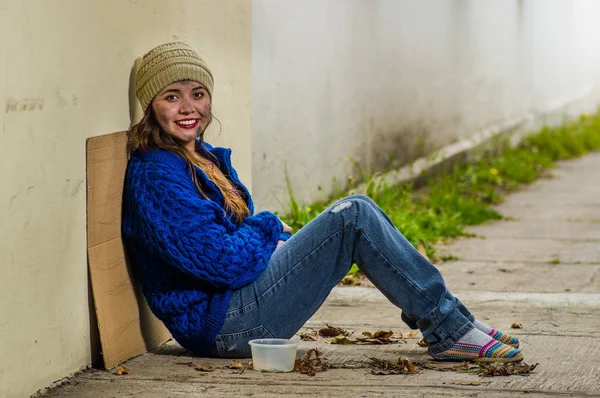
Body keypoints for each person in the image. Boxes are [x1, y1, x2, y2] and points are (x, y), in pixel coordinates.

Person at [122, 42, 523, 363]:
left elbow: (228, 245)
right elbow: (224, 262)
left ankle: (452, 320)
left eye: (198, 94)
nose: (189, 107)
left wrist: (274, 240)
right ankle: (449, 328)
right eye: (172, 97)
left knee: (356, 210)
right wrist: (268, 228)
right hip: (223, 325)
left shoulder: (200, 157)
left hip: (235, 308)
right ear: (150, 107)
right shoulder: (157, 174)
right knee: (353, 215)